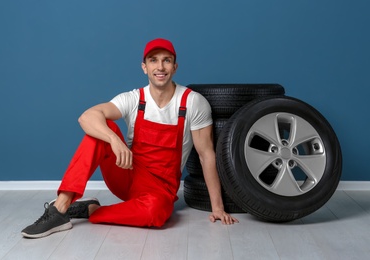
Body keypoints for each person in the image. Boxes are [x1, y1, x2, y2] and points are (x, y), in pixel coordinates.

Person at [21, 38, 239, 238]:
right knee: (100, 130)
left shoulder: (192, 102)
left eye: (167, 60)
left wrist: (217, 207)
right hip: (128, 174)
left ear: (175, 66)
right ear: (144, 67)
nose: (160, 67)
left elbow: (205, 154)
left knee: (156, 214)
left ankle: (92, 210)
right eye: (153, 61)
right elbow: (86, 117)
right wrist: (115, 140)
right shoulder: (134, 98)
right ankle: (60, 208)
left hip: (160, 189)